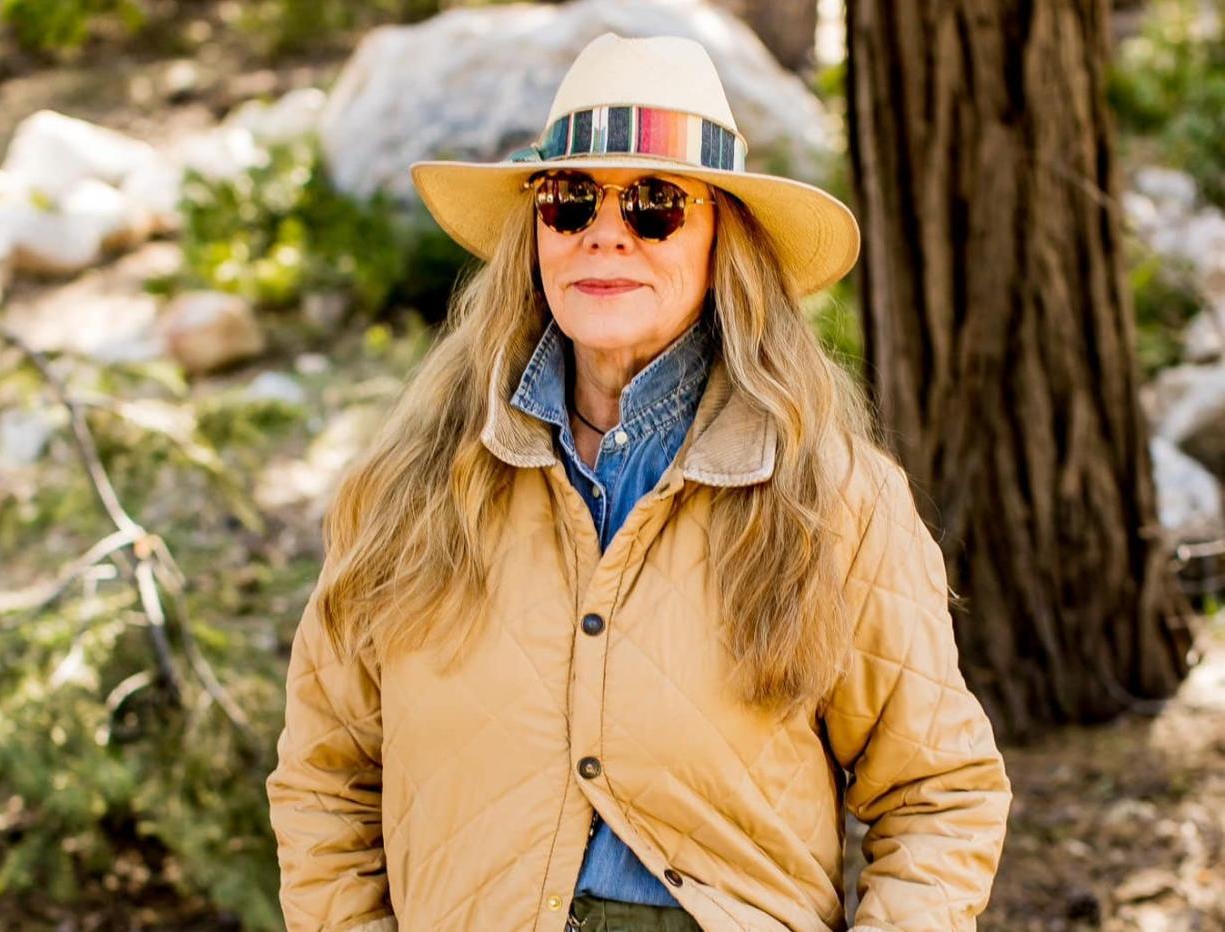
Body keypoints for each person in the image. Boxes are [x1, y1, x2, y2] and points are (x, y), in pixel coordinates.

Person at [266, 31, 1012, 932]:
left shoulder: (834, 498)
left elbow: (939, 793)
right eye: (571, 199)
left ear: (722, 238)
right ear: (536, 231)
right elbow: (325, 781)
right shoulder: (407, 489)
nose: (606, 232)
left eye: (655, 202)